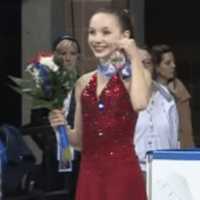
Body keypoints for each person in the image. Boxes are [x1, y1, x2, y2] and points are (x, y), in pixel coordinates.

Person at [49, 7, 152, 200]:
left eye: (106, 32)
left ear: (125, 36)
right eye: (92, 32)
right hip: (89, 176)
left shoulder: (134, 75)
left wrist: (134, 55)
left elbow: (140, 103)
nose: (96, 39)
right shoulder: (83, 83)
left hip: (122, 175)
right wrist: (60, 126)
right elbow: (79, 141)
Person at [134, 46, 179, 177]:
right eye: (140, 63)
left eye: (148, 63)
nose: (145, 67)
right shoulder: (124, 98)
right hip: (134, 171)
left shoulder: (167, 97)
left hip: (163, 170)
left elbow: (174, 140)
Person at [52, 34, 81, 199]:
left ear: (78, 57)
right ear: (55, 56)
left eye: (72, 53)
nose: (67, 58)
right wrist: (52, 143)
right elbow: (35, 121)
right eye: (62, 53)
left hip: (78, 156)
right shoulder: (46, 85)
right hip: (53, 156)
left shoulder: (85, 84)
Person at [151, 44, 194, 148]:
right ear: (156, 67)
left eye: (173, 62)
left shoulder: (179, 88)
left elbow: (186, 124)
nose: (173, 66)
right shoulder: (149, 91)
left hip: (180, 147)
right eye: (167, 63)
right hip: (157, 148)